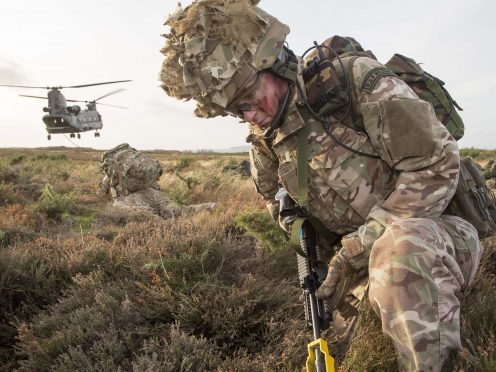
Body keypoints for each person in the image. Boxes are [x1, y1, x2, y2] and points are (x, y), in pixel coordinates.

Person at [159, 1, 483, 370]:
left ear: (274, 60)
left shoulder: (355, 83)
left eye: (250, 95)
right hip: (357, 261)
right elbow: (275, 201)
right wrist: (297, 230)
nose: (251, 114)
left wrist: (359, 247)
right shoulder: (265, 141)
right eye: (236, 110)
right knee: (336, 351)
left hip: (436, 235)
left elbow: (436, 165)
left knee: (401, 253)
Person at [99, 143, 215, 219]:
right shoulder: (136, 164)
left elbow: (101, 194)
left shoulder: (110, 176)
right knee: (180, 210)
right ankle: (211, 207)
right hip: (154, 193)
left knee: (140, 213)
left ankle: (165, 228)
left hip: (133, 199)